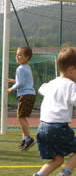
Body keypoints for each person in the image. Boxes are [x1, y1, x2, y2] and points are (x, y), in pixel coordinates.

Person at [33, 47, 76, 176]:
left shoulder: (52, 83)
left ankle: (39, 174)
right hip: (58, 128)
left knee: (58, 159)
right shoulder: (71, 85)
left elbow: (42, 88)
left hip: (42, 128)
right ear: (71, 69)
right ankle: (65, 173)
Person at [8, 47, 36, 151]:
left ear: (27, 57)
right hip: (30, 94)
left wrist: (11, 88)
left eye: (20, 55)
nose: (17, 56)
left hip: (25, 95)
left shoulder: (20, 68)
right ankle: (25, 139)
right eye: (17, 54)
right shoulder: (26, 67)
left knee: (20, 118)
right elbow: (25, 80)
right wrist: (14, 81)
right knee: (22, 117)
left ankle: (29, 139)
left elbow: (21, 83)